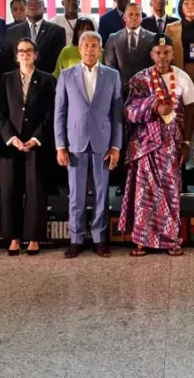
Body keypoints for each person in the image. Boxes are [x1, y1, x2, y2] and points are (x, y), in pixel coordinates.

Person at [119, 36, 194, 256]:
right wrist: (152, 105)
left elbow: (191, 111)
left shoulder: (181, 77)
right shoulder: (140, 79)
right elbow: (128, 110)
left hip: (172, 145)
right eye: (158, 52)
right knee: (144, 194)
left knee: (170, 193)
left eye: (166, 52)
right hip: (146, 145)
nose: (162, 57)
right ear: (151, 55)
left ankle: (171, 239)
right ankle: (142, 241)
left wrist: (186, 144)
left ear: (173, 54)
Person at [55, 31, 122, 259]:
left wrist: (116, 146)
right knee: (76, 194)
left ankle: (99, 238)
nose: (90, 49)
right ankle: (76, 238)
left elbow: (117, 114)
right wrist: (60, 145)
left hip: (103, 141)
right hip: (75, 142)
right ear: (79, 49)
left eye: (95, 45)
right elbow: (60, 112)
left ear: (101, 49)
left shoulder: (112, 75)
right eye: (87, 45)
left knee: (102, 193)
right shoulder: (66, 75)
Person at [0, 38, 55, 256]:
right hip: (11, 145)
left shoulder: (47, 79)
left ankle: (33, 238)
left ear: (36, 54)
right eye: (21, 51)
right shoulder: (5, 79)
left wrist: (36, 138)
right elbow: (1, 113)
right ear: (16, 55)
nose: (25, 54)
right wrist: (11, 138)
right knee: (10, 189)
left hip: (36, 144)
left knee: (35, 190)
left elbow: (51, 114)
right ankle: (13, 237)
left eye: (29, 51)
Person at [104, 3, 155, 99]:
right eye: (130, 14)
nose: (134, 17)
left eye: (137, 14)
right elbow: (110, 65)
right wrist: (121, 82)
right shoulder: (113, 38)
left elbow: (153, 66)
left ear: (141, 17)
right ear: (124, 17)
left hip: (145, 90)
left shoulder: (152, 38)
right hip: (120, 90)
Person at [4, 0, 67, 74]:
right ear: (25, 10)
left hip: (47, 79)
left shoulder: (57, 31)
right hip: (19, 79)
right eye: (29, 4)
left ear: (44, 9)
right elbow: (8, 59)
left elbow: (58, 60)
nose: (32, 6)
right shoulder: (12, 31)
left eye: (36, 4)